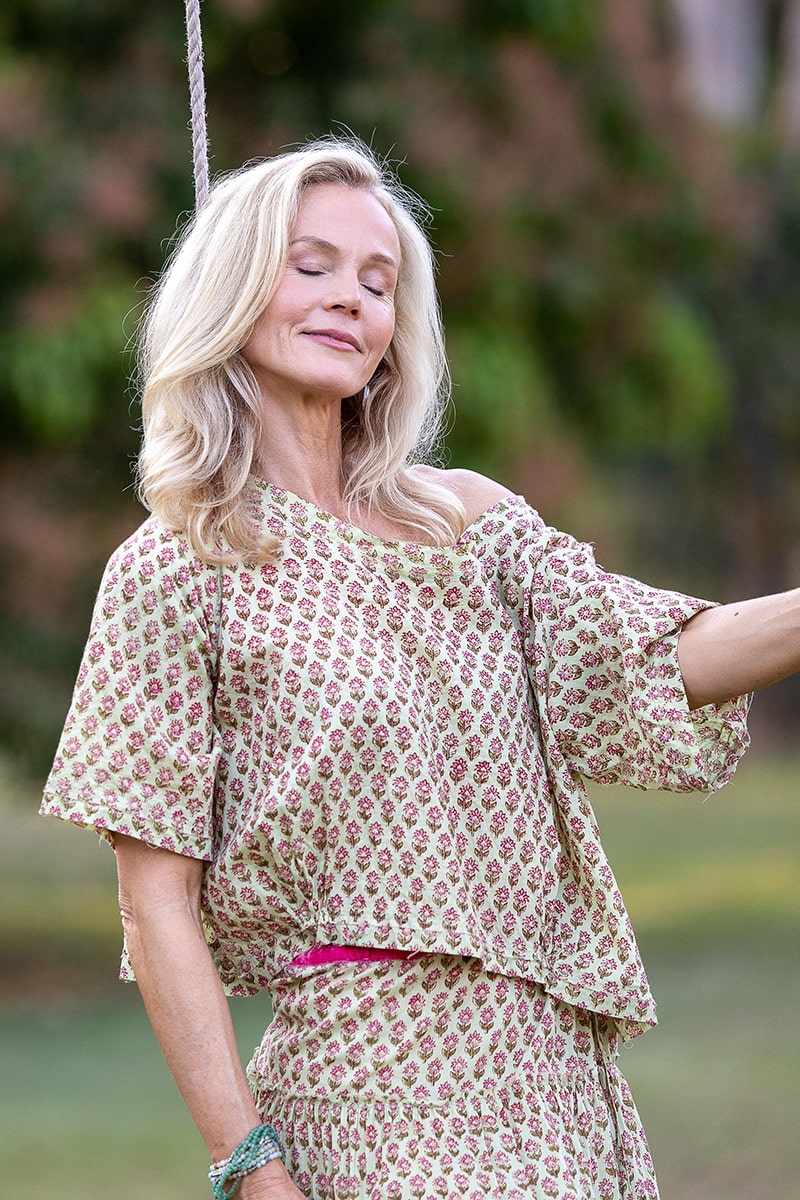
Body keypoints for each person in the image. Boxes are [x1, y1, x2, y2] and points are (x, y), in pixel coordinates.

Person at [40, 136, 799, 1200]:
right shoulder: (177, 566)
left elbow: (655, 658)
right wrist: (248, 1164)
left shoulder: (468, 523)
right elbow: (154, 907)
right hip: (369, 1091)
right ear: (233, 289)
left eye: (376, 280)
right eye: (311, 265)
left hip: (555, 1083)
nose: (348, 298)